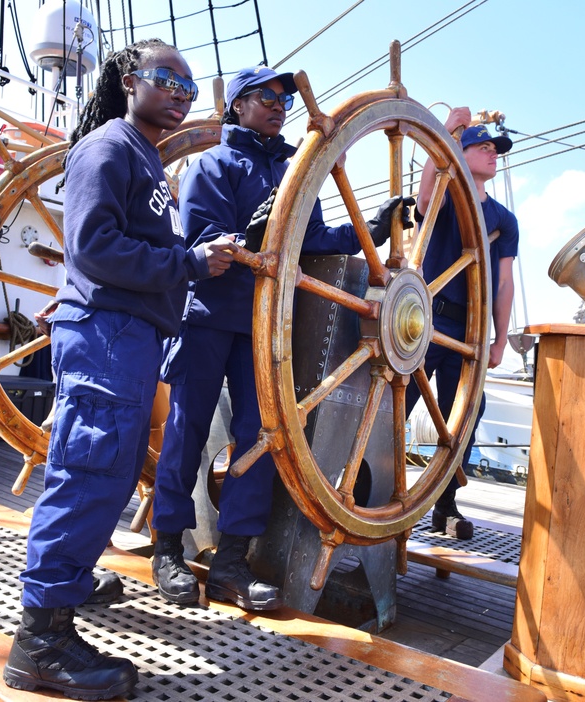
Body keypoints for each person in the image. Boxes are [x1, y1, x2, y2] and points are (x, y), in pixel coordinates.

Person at [2, 39, 235, 700]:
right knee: (89, 474)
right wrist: (192, 263)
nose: (182, 93)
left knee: (104, 472)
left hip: (127, 337)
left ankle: (67, 587)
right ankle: (40, 642)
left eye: (189, 85)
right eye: (167, 79)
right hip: (107, 333)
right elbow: (95, 248)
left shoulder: (141, 157)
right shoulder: (109, 148)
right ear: (132, 82)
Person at [151, 65, 412, 611]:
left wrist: (372, 227)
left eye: (283, 99)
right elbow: (200, 246)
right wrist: (250, 236)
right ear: (237, 107)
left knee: (261, 437)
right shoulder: (211, 167)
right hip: (206, 320)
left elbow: (311, 239)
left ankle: (229, 567)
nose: (277, 105)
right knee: (186, 433)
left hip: (265, 330)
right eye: (264, 96)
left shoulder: (294, 175)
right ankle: (169, 551)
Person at [410, 107, 518, 540]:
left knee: (466, 413)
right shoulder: (443, 195)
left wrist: (499, 340)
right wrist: (447, 131)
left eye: (497, 149)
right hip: (418, 320)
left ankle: (444, 504)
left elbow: (504, 282)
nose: (494, 155)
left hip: (466, 330)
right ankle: (368, 487)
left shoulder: (504, 221)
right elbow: (423, 197)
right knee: (391, 403)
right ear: (461, 149)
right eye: (484, 147)